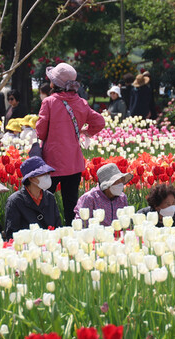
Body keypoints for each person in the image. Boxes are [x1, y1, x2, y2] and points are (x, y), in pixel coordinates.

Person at [35, 62, 106, 226]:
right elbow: (100, 122)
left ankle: (46, 232)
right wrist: (86, 132)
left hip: (51, 162)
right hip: (73, 163)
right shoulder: (82, 103)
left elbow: (40, 132)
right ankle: (71, 233)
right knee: (71, 204)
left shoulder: (49, 102)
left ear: (55, 84)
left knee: (44, 202)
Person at [3, 156, 62, 240]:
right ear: (31, 178)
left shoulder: (49, 197)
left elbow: (58, 227)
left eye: (48, 173)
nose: (47, 176)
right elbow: (12, 235)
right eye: (43, 174)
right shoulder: (15, 201)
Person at [73, 162, 132, 227]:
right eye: (116, 181)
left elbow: (126, 222)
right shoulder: (90, 198)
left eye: (121, 181)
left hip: (118, 235)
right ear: (106, 185)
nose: (120, 184)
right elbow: (81, 224)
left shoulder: (122, 198)